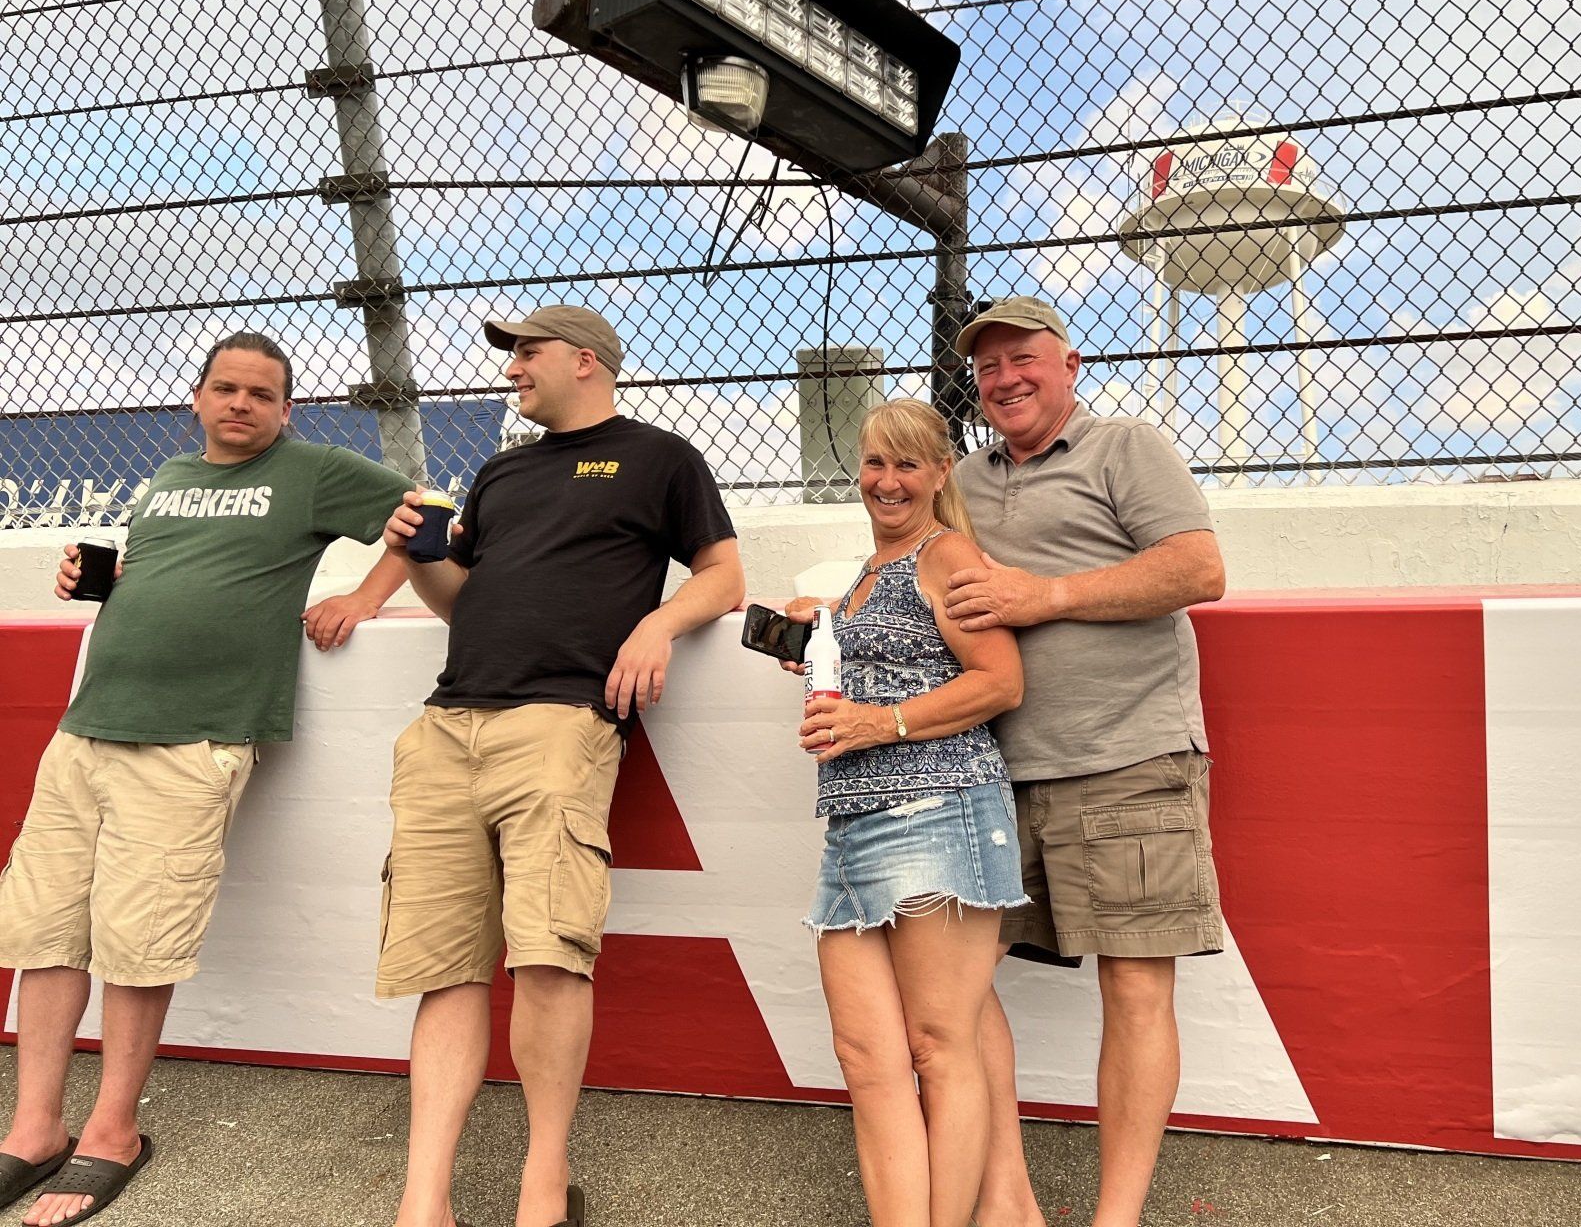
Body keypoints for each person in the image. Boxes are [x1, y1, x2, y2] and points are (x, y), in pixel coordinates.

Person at [0, 331, 413, 1227]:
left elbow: (430, 515)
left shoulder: (311, 471)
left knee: (139, 942)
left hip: (193, 742)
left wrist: (363, 596)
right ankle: (34, 1127)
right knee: (47, 932)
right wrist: (96, 578)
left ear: (285, 410)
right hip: (86, 732)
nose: (240, 404)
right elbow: (163, 580)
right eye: (225, 388)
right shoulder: (167, 480)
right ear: (196, 397)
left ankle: (113, 1131)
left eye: (260, 395)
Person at [378, 305, 743, 1227]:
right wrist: (418, 558)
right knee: (447, 967)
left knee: (546, 957)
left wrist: (657, 625)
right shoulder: (499, 472)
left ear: (586, 361)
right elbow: (461, 602)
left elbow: (724, 577)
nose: (511, 371)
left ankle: (543, 1185)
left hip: (560, 725)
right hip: (446, 725)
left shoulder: (662, 457)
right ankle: (425, 1201)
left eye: (525, 354)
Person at [942, 297, 1227, 1227]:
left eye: (1023, 359)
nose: (1005, 378)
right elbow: (916, 568)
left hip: (1127, 756)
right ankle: (1010, 1197)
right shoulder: (964, 480)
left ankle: (1116, 1219)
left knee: (1136, 985)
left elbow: (1197, 570)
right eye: (987, 368)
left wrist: (1046, 594)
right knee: (957, 983)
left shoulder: (1124, 447)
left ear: (1070, 362)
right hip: (991, 769)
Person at [770, 397, 1024, 1227]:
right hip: (850, 827)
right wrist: (822, 643)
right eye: (875, 462)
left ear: (941, 472)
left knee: (940, 1051)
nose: (887, 480)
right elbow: (881, 672)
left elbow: (999, 681)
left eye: (907, 464)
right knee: (867, 1056)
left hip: (938, 810)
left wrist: (878, 721)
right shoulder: (865, 573)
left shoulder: (948, 554)